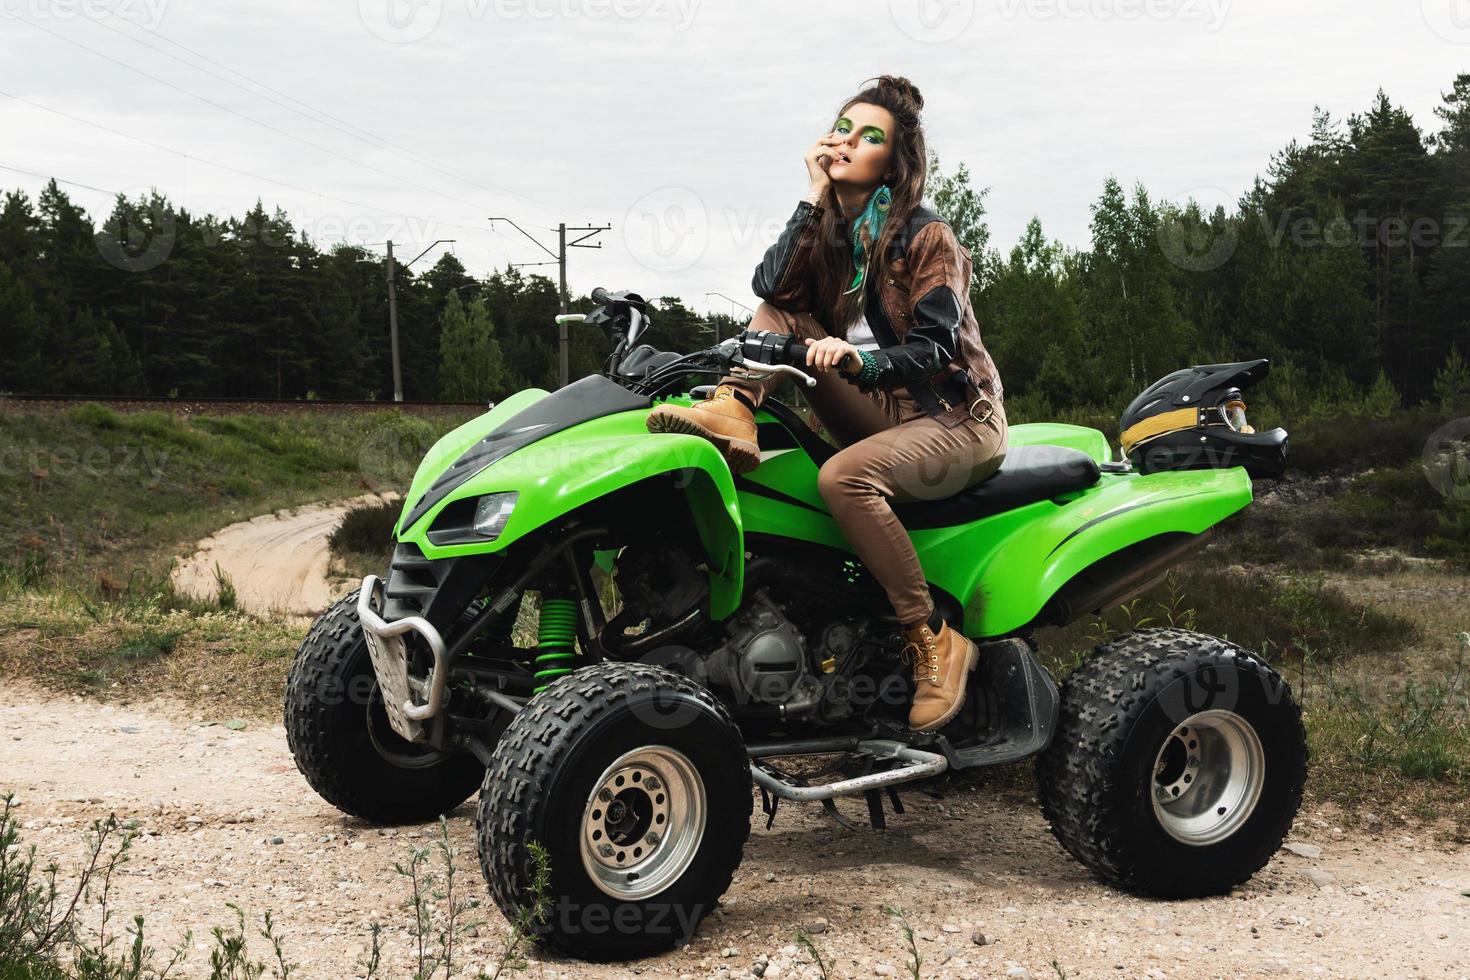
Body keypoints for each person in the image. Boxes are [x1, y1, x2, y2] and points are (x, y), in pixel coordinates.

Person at [645, 75, 1007, 733]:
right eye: (842, 126)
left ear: (892, 165)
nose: (846, 140)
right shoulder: (836, 238)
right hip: (886, 411)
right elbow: (771, 289)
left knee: (842, 477)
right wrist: (813, 196)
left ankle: (934, 638)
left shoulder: (930, 239)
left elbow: (933, 348)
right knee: (780, 309)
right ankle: (735, 405)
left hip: (956, 421)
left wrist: (859, 360)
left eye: (869, 136)